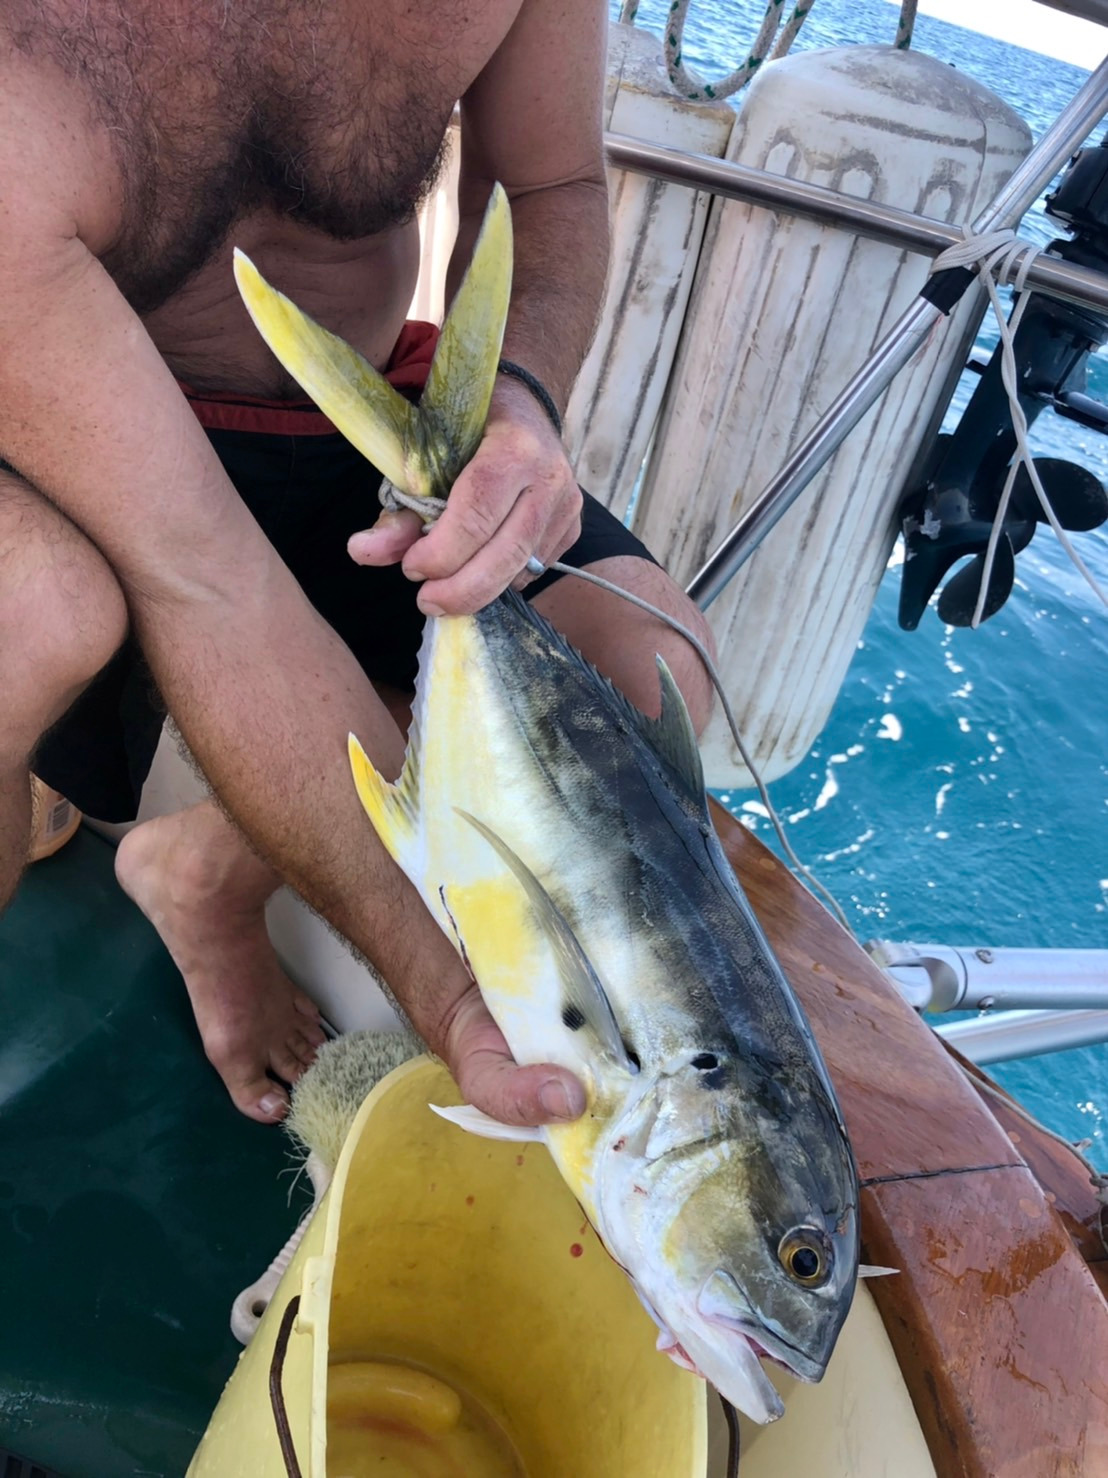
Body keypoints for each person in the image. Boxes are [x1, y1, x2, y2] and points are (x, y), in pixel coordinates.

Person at [0, 0, 714, 1126]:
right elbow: (215, 588)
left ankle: (203, 870)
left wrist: (520, 408)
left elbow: (554, 188)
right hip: (87, 426)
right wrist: (447, 996)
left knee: (648, 665)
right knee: (27, 619)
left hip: (368, 419)